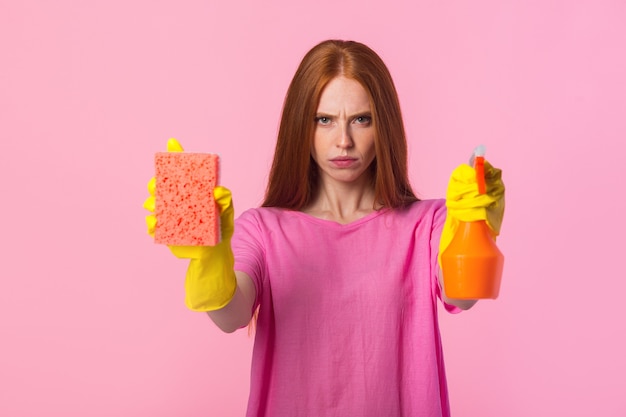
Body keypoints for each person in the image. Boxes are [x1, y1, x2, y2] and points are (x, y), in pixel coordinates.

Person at [144, 39, 505, 417]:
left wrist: (474, 226)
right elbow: (231, 316)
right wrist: (208, 256)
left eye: (361, 119)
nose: (344, 141)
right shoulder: (263, 230)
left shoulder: (427, 224)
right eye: (325, 119)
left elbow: (462, 295)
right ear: (302, 125)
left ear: (385, 125)